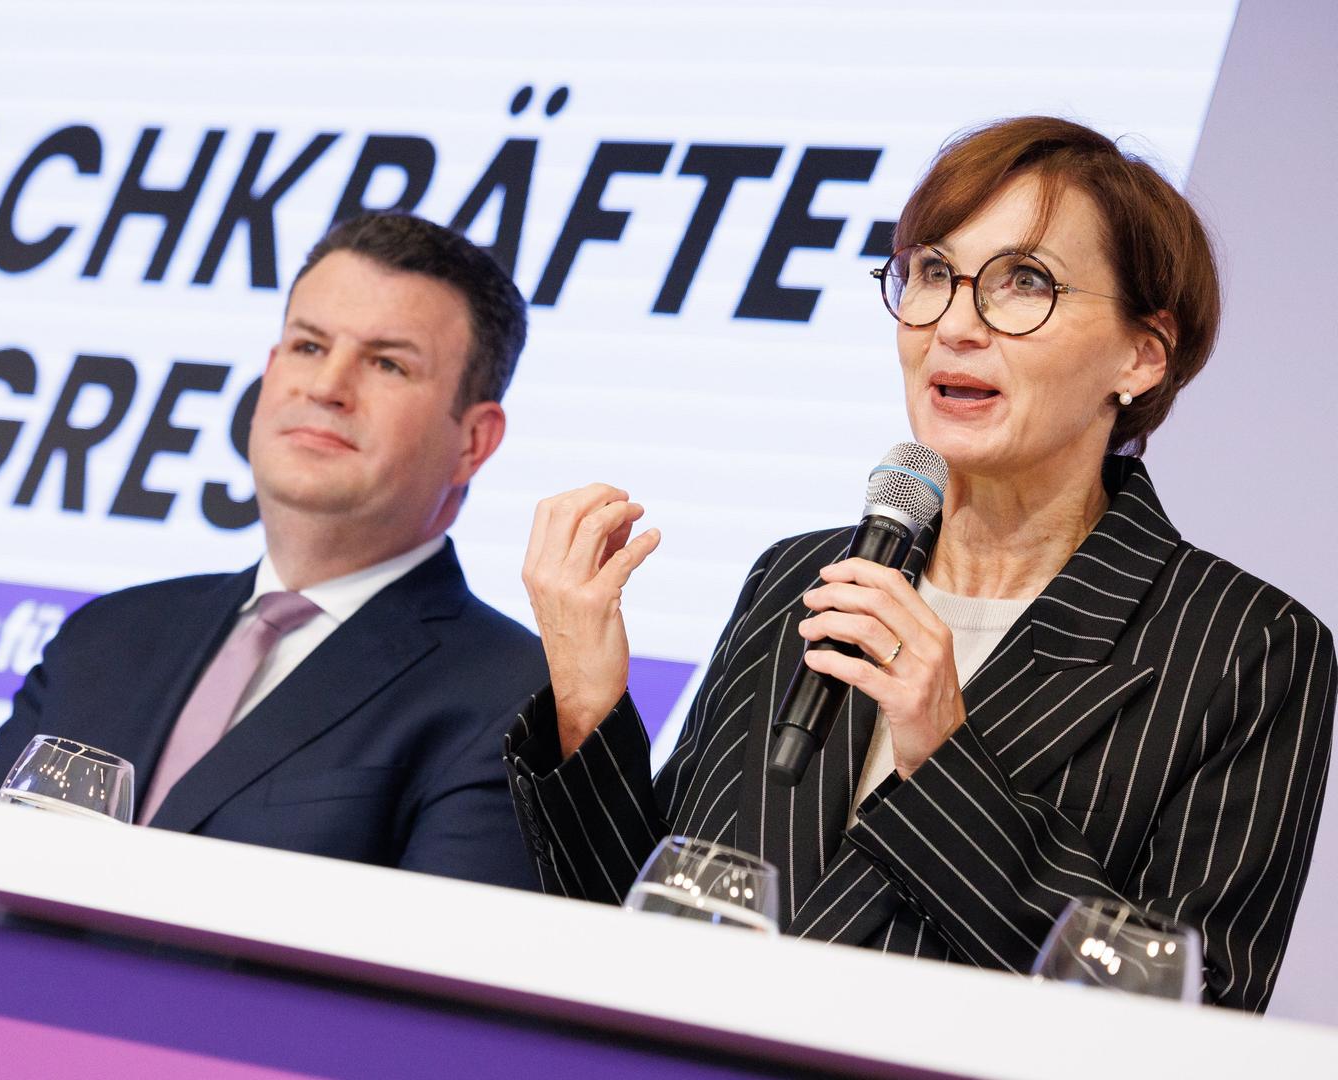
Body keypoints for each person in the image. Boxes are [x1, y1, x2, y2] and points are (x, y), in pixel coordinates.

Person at [508, 116, 1333, 1011]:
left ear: (1143, 353)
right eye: (934, 274)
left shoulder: (1248, 649)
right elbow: (644, 934)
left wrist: (942, 756)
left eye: (1026, 283)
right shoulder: (799, 577)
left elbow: (1200, 1021)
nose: (954, 326)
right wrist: (589, 706)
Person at [0, 212, 545, 890]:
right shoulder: (107, 637)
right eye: (307, 346)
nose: (327, 387)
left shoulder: (513, 701)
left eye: (387, 363)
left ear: (474, 440)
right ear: (270, 371)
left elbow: (441, 982)